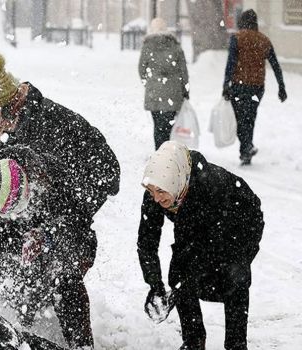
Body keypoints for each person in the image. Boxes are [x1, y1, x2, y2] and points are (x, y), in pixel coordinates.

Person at [0, 51, 120, 349]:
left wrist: (48, 231)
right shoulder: (17, 129)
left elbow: (101, 180)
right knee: (0, 257)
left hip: (77, 203)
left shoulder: (50, 127)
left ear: (10, 106)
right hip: (43, 203)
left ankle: (80, 344)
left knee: (61, 268)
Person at [137, 141, 264, 350]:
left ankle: (236, 343)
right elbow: (146, 241)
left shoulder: (209, 185)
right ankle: (194, 340)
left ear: (175, 182)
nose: (156, 198)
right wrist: (155, 285)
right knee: (178, 274)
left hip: (240, 222)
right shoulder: (158, 187)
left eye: (160, 191)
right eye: (151, 190)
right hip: (200, 225)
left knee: (234, 276)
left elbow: (201, 246)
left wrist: (184, 282)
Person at [222, 9, 287, 165]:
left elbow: (231, 63)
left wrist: (226, 84)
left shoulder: (237, 38)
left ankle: (246, 147)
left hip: (239, 86)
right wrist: (281, 86)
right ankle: (247, 150)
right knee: (250, 118)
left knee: (240, 120)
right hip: (257, 88)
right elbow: (275, 65)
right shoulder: (264, 40)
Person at [138, 18, 190, 150]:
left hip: (154, 92)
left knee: (158, 125)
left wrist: (149, 83)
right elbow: (183, 71)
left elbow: (141, 69)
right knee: (168, 126)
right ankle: (167, 152)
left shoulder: (147, 45)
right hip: (173, 92)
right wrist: (185, 90)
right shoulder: (175, 46)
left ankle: (159, 152)